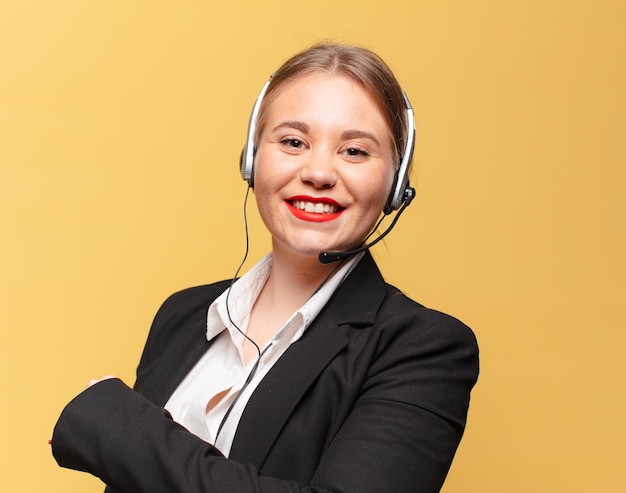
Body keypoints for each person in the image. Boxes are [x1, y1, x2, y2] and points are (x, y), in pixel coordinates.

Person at [51, 43, 479, 493]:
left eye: (354, 151)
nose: (319, 172)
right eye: (293, 142)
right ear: (252, 160)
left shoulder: (424, 348)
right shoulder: (182, 316)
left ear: (395, 182)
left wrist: (119, 430)